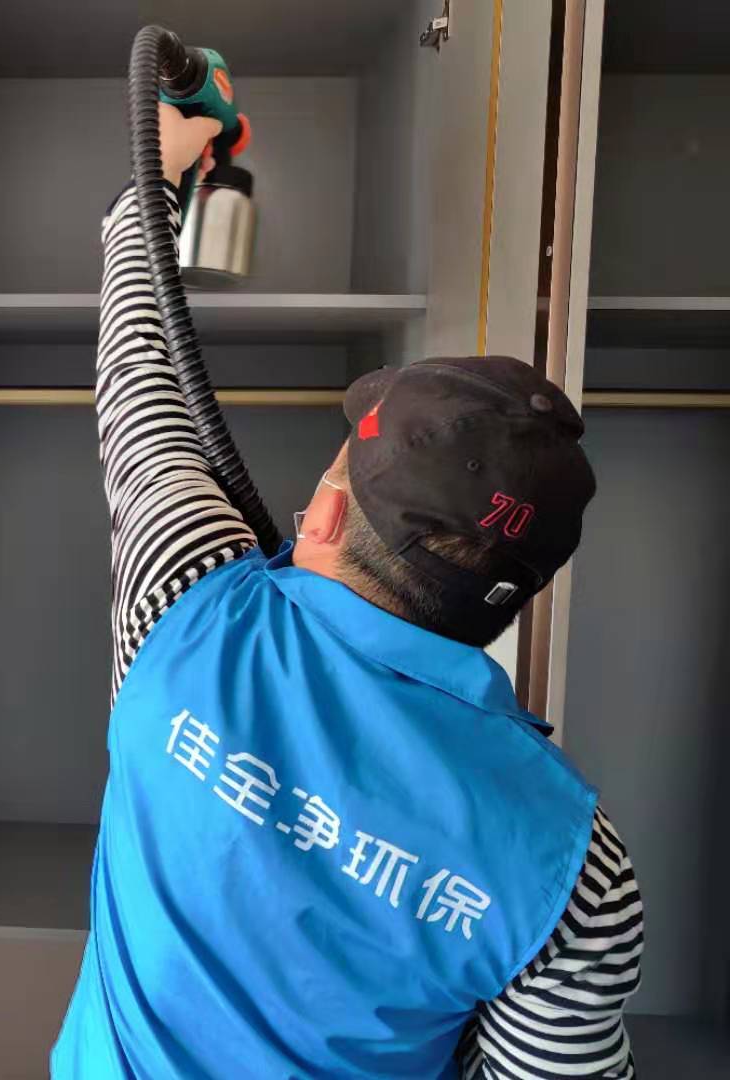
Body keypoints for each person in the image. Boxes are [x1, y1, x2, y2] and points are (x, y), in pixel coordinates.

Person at [51, 104, 643, 1078]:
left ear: (324, 513)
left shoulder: (186, 597)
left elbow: (139, 381)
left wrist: (155, 179)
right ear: (516, 592)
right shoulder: (575, 871)